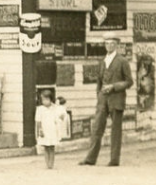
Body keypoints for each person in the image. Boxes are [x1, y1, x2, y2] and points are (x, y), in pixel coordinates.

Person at [79, 33, 134, 167]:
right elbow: (99, 80)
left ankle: (114, 160)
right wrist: (99, 95)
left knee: (116, 130)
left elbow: (129, 81)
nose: (109, 46)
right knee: (97, 127)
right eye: (107, 43)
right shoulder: (103, 61)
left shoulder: (122, 61)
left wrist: (114, 86)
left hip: (116, 98)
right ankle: (90, 158)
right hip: (103, 99)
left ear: (117, 45)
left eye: (112, 43)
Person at [35, 89, 68, 169]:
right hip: (44, 129)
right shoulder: (40, 109)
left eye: (47, 99)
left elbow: (61, 116)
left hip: (52, 129)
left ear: (51, 99)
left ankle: (51, 164)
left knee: (51, 147)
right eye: (43, 100)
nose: (45, 101)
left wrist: (61, 114)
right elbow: (38, 121)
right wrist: (40, 130)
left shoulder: (54, 108)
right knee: (46, 147)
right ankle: (47, 164)